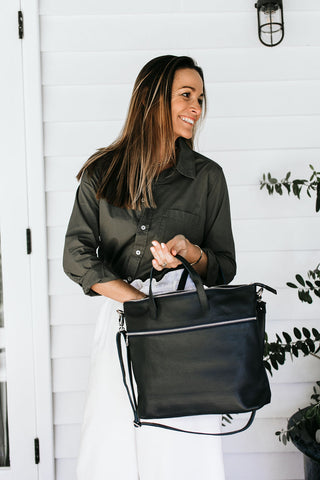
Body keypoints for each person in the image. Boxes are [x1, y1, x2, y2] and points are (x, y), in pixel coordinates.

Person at [63, 55, 236, 480]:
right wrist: (140, 302)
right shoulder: (102, 173)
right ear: (153, 100)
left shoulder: (208, 178)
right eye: (186, 95)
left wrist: (191, 254)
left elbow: (224, 266)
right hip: (123, 322)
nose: (197, 107)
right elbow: (77, 255)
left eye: (201, 98)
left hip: (187, 329)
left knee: (184, 454)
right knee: (115, 448)